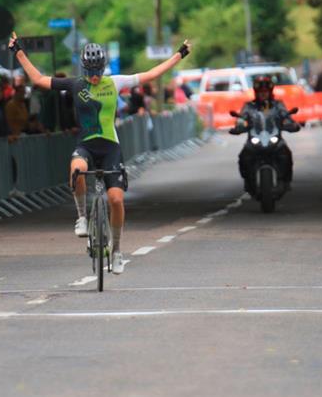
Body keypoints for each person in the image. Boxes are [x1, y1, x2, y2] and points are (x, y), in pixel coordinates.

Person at [10, 32, 191, 274]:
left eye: (98, 72)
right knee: (77, 169)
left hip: (110, 148)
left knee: (116, 199)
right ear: (84, 69)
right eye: (90, 72)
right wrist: (19, 52)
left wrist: (179, 54)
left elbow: (151, 74)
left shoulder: (115, 82)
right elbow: (40, 79)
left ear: (103, 68)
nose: (94, 77)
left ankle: (116, 250)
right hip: (86, 144)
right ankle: (82, 216)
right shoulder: (76, 84)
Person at [235, 75, 300, 195]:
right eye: (260, 92)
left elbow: (286, 117)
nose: (263, 94)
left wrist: (291, 125)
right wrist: (238, 127)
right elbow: (241, 119)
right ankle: (248, 181)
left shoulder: (278, 105)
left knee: (286, 155)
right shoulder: (249, 106)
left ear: (270, 92)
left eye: (265, 92)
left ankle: (286, 181)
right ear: (256, 92)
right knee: (243, 157)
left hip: (275, 138)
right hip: (254, 139)